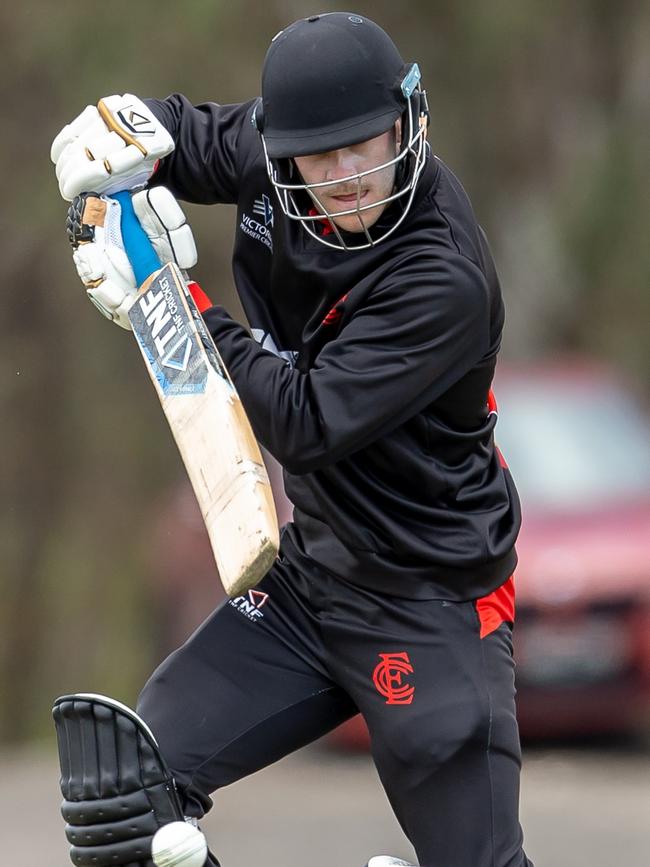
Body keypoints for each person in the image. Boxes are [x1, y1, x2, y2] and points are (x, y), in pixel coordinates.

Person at [51, 12, 533, 867]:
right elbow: (187, 140)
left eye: (367, 144)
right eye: (322, 156)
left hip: (434, 601)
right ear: (284, 150)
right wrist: (116, 147)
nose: (348, 176)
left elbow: (305, 423)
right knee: (123, 792)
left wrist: (172, 297)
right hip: (313, 580)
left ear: (408, 122)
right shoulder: (277, 161)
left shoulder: (442, 274)